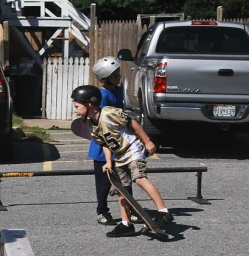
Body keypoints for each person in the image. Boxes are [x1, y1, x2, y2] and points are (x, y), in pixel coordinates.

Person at [71, 85, 173, 238]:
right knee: (121, 189)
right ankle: (126, 224)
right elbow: (104, 143)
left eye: (77, 106)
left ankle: (163, 211)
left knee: (139, 179)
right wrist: (108, 162)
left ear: (89, 104)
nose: (75, 110)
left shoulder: (108, 113)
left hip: (132, 149)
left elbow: (132, 123)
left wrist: (147, 141)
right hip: (119, 155)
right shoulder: (92, 125)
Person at [71, 56, 138, 225]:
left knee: (125, 179)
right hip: (103, 146)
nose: (119, 76)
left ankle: (131, 209)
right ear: (105, 77)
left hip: (119, 143)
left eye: (118, 73)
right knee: (104, 183)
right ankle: (102, 211)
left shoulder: (119, 91)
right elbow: (100, 122)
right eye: (115, 74)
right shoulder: (101, 95)